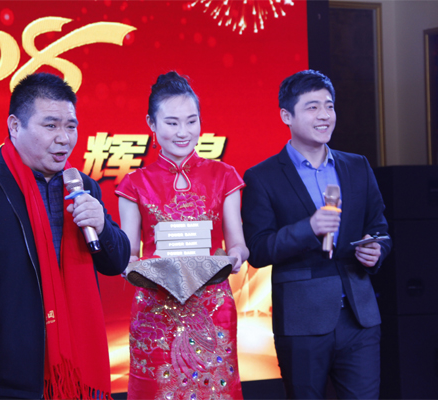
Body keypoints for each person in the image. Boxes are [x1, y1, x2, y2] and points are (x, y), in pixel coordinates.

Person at [0, 73, 130, 399]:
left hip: (80, 369)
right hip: (7, 368)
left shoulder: (82, 186)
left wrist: (103, 227)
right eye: (51, 126)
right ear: (15, 126)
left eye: (71, 126)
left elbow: (116, 261)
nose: (64, 138)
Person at [241, 69, 392, 399]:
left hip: (360, 318)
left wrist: (377, 249)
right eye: (312, 107)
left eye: (329, 106)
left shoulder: (357, 166)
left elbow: (379, 227)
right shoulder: (262, 177)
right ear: (287, 116)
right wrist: (307, 229)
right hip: (302, 320)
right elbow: (258, 249)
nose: (324, 115)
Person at [115, 71, 249, 400]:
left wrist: (234, 258)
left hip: (212, 307)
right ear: (151, 123)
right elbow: (128, 253)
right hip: (155, 311)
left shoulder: (224, 176)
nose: (183, 132)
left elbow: (238, 244)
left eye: (191, 121)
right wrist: (131, 267)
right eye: (172, 123)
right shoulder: (134, 184)